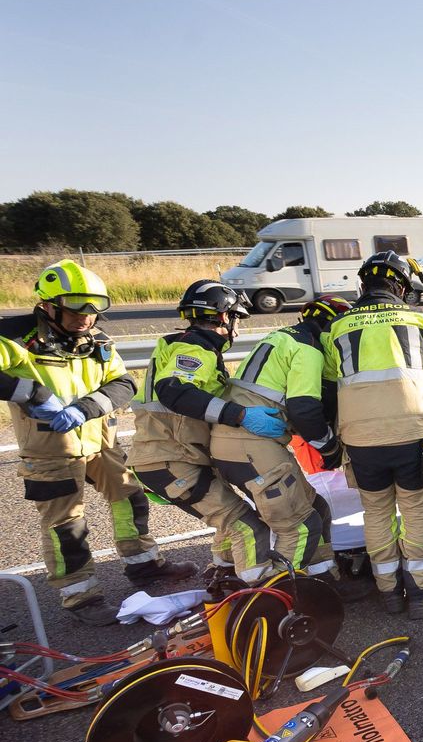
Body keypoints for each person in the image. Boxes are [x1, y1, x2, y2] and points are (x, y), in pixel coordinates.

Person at [1, 260, 192, 624]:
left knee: (130, 497)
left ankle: (143, 565)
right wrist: (33, 393)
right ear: (48, 305)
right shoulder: (14, 338)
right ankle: (81, 596)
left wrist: (85, 409)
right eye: (76, 307)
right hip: (49, 449)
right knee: (67, 524)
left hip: (100, 440)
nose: (86, 317)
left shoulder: (96, 340)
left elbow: (123, 382)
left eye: (94, 308)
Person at [209, 294, 367, 599]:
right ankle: (277, 598)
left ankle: (324, 579)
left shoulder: (282, 338)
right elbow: (304, 409)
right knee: (300, 524)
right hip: (252, 446)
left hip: (235, 442)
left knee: (317, 508)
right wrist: (329, 448)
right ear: (329, 326)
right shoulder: (308, 349)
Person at [322, 251, 423, 618]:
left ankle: (389, 592)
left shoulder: (337, 327)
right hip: (415, 433)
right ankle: (420, 592)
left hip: (361, 439)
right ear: (401, 286)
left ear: (364, 284)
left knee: (376, 513)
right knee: (416, 512)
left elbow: (329, 388)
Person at [128, 280, 276, 588]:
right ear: (223, 316)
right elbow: (174, 390)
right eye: (236, 318)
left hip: (177, 457)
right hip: (170, 460)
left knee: (230, 518)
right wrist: (239, 415)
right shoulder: (195, 349)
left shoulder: (190, 346)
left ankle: (223, 574)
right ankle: (262, 590)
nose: (237, 328)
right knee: (246, 527)